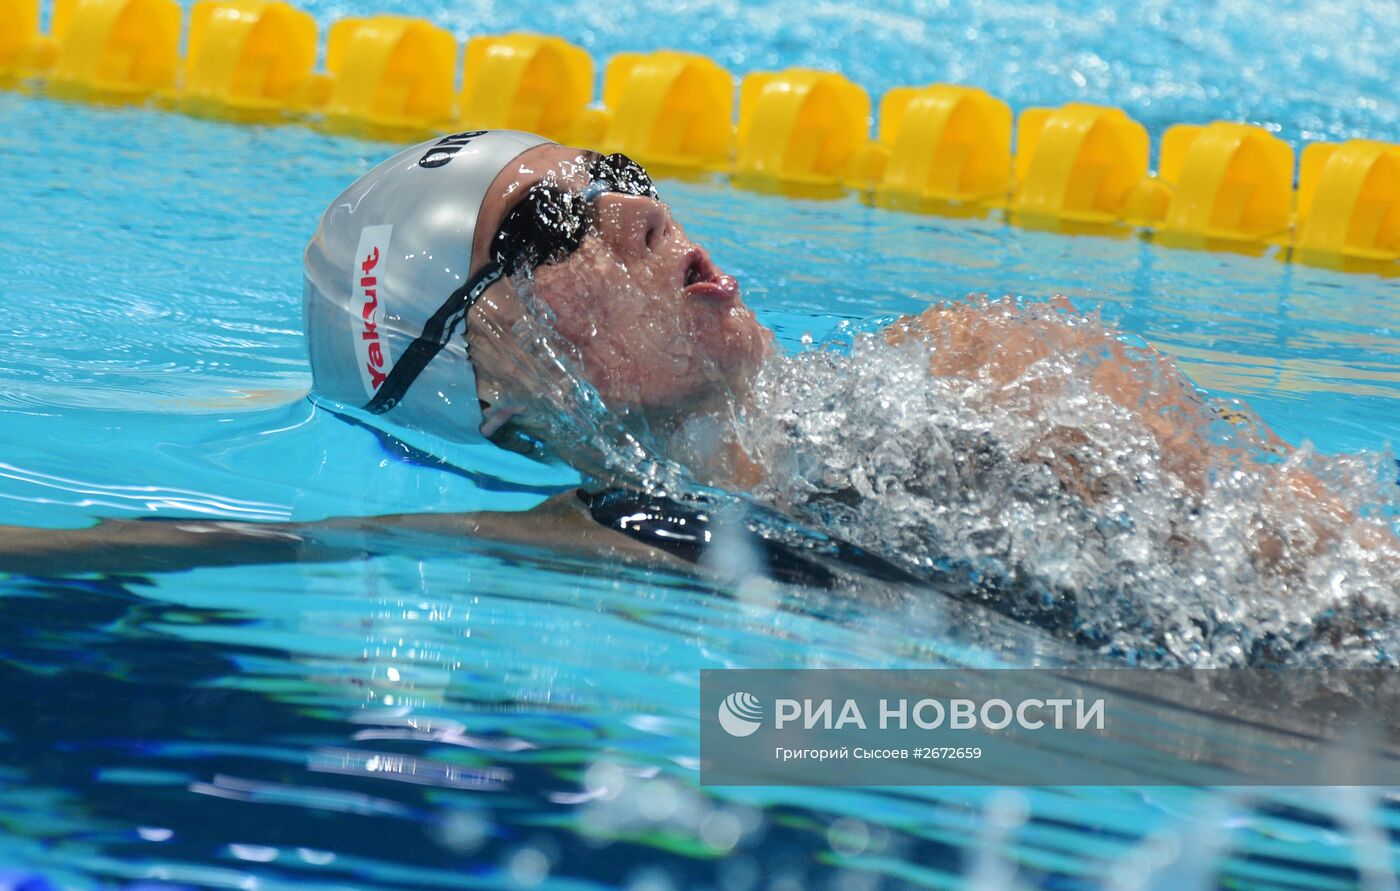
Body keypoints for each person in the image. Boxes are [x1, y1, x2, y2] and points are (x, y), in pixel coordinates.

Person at [3, 131, 1395, 664]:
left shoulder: (976, 368)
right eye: (557, 219)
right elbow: (269, 552)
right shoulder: (612, 531)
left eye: (614, 170)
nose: (641, 213)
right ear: (482, 378)